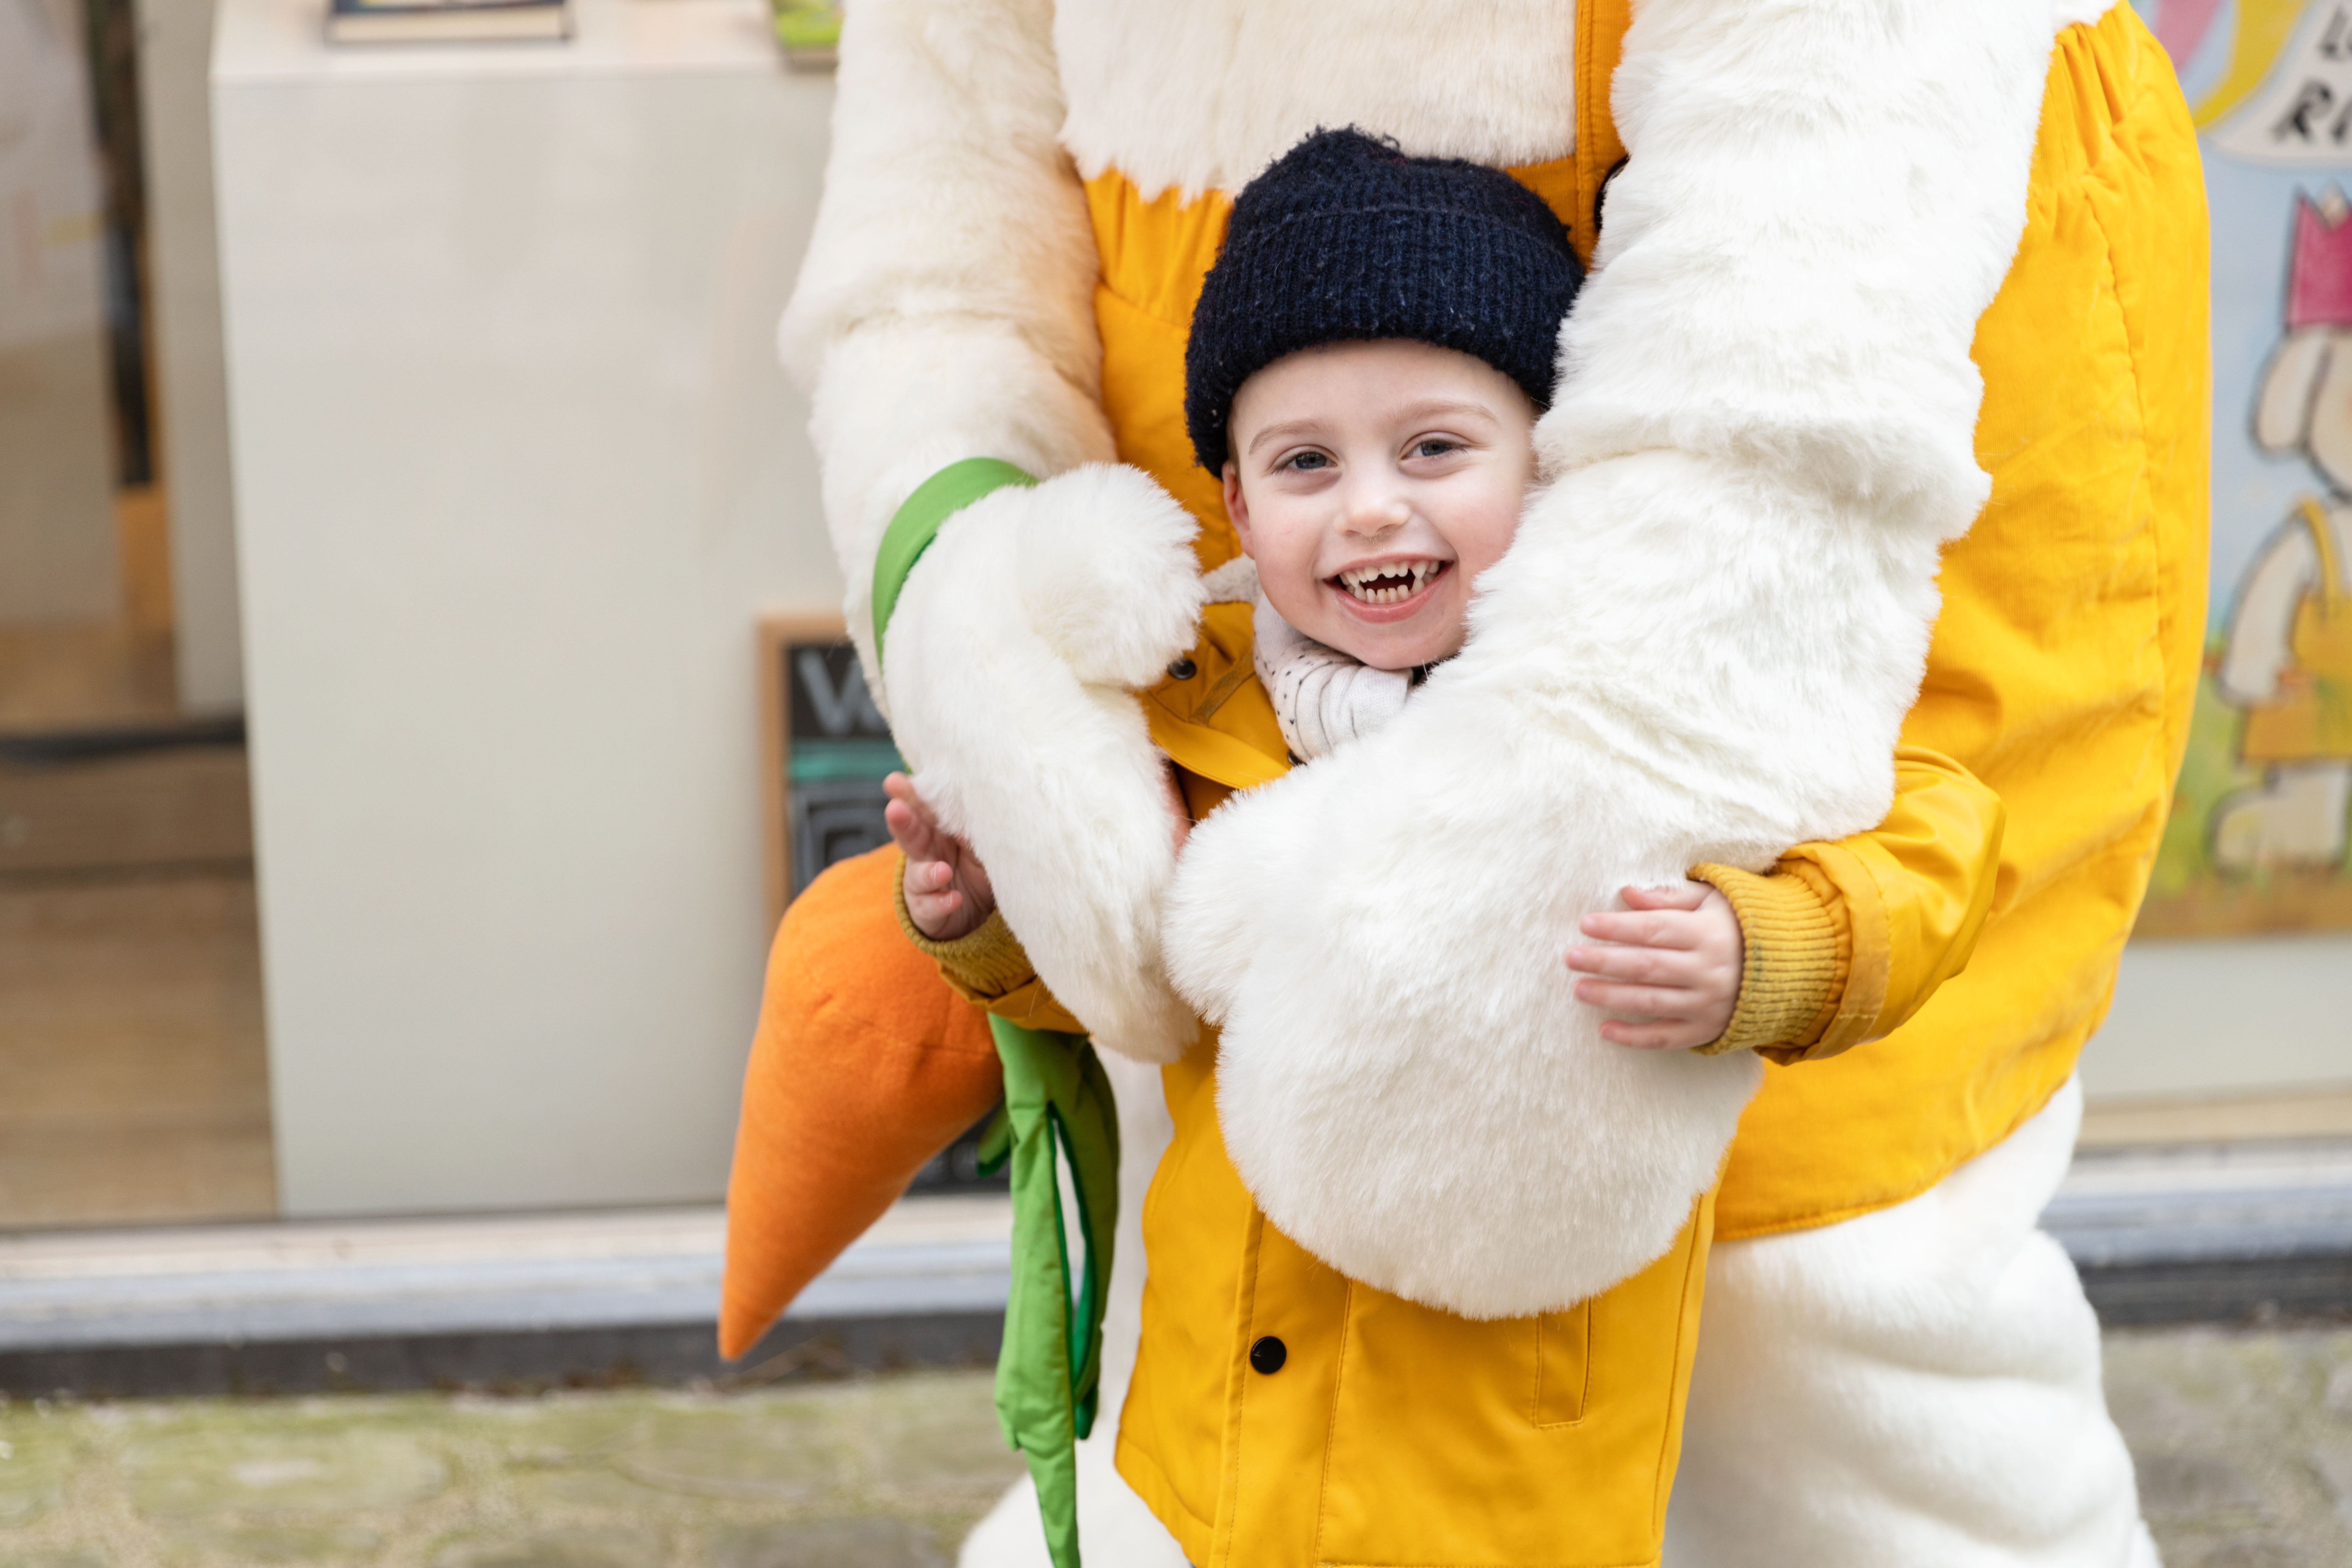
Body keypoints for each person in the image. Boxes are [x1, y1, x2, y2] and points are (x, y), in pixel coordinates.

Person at [749, 4, 2207, 1563]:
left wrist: (1751, 944)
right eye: (1307, 470)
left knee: (1820, 1303)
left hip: (1809, 449)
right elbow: (1123, 951)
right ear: (1242, 493)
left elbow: (1920, 873)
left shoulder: (1744, 792)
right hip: (1257, 1416)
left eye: (1436, 454)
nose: (1374, 512)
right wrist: (996, 893)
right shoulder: (1237, 714)